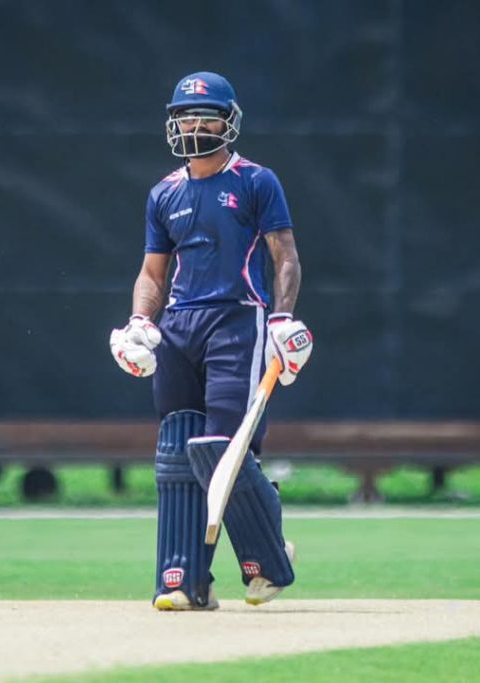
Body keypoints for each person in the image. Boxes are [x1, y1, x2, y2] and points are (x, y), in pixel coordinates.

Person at [109, 71, 313, 611]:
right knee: (178, 450)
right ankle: (184, 581)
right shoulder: (164, 192)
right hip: (178, 327)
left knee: (223, 448)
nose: (195, 127)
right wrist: (139, 322)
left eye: (206, 118)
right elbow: (153, 271)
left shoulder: (255, 181)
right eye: (185, 118)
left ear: (229, 123)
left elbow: (285, 255)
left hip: (237, 321)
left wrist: (282, 320)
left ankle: (267, 560)